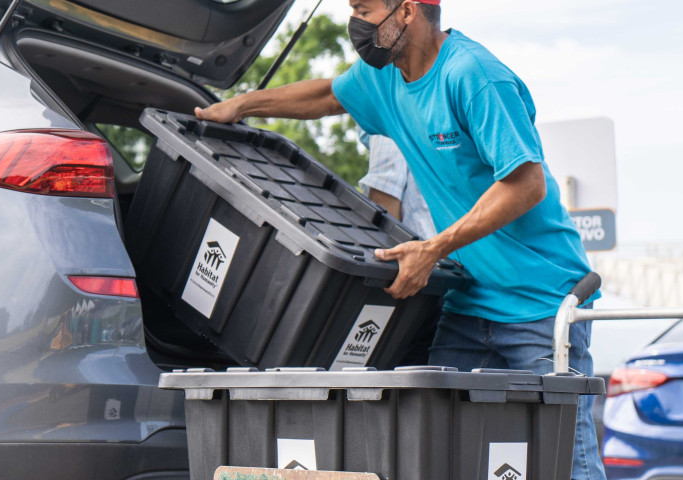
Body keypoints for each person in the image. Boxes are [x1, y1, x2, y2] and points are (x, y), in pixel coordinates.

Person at [193, 1, 606, 478]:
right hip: (470, 305)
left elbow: (526, 183)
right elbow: (328, 96)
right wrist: (244, 104)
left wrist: (432, 250)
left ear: (407, 10)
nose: (354, 24)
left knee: (563, 463)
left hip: (542, 303)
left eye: (362, 9)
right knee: (440, 455)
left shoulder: (473, 75)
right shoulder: (383, 78)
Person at [360, 133, 437, 240]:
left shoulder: (389, 125)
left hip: (427, 247)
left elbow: (384, 190)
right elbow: (385, 191)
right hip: (426, 247)